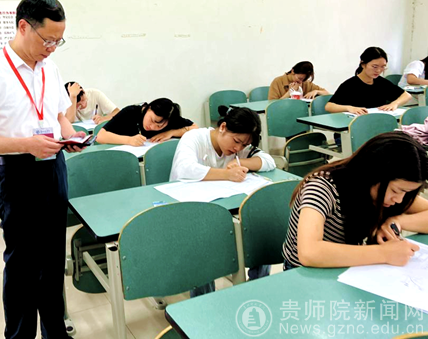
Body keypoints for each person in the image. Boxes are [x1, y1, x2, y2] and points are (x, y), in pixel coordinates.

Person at [0, 0, 84, 339]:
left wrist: (71, 135)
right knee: (22, 267)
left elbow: (58, 115)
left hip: (54, 168)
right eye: (48, 40)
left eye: (59, 41)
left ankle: (55, 333)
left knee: (53, 261)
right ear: (24, 27)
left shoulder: (50, 68)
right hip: (18, 175)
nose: (52, 48)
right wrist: (26, 145)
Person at [282, 132, 428, 270]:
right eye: (395, 191)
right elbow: (309, 253)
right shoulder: (322, 187)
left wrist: (397, 221)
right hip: (304, 274)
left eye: (406, 192)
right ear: (373, 174)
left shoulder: (392, 192)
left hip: (350, 269)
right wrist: (384, 253)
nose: (399, 199)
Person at [170, 106, 276, 294]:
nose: (238, 148)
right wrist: (226, 174)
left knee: (263, 227)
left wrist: (241, 162)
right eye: (237, 141)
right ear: (223, 127)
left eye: (244, 145)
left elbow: (269, 161)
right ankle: (204, 299)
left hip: (223, 209)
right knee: (201, 244)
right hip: (191, 212)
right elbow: (184, 169)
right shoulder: (194, 138)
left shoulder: (239, 150)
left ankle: (257, 287)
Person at [325, 47, 412, 115]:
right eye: (375, 67)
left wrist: (394, 104)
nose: (378, 70)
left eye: (383, 67)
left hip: (377, 122)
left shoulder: (381, 82)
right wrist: (350, 108)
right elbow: (329, 106)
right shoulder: (350, 84)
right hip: (355, 125)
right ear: (363, 64)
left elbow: (406, 95)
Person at [96, 98, 198, 145]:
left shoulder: (169, 118)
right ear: (148, 108)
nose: (152, 127)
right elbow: (100, 136)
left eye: (159, 126)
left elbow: (195, 128)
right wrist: (129, 140)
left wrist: (171, 132)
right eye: (152, 120)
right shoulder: (130, 112)